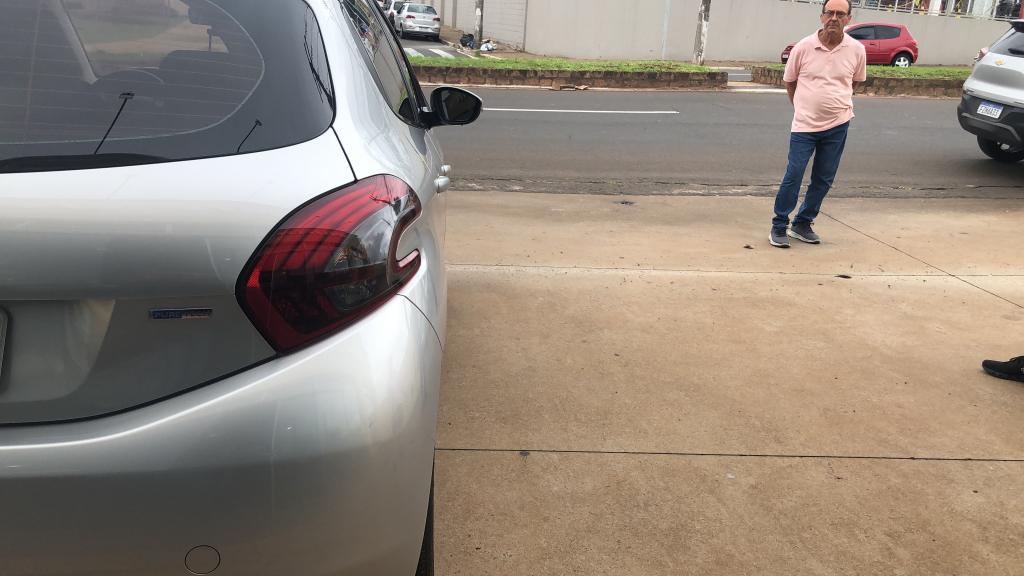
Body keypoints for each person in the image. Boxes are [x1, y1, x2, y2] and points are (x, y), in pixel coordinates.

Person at [769, 0, 867, 248]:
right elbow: (790, 81)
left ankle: (802, 223)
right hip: (804, 126)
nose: (834, 18)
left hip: (838, 124)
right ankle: (779, 225)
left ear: (849, 19)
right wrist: (802, 107)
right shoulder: (803, 47)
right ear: (821, 16)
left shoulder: (857, 50)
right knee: (794, 175)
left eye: (840, 14)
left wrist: (836, 102)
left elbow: (854, 82)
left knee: (823, 179)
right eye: (829, 13)